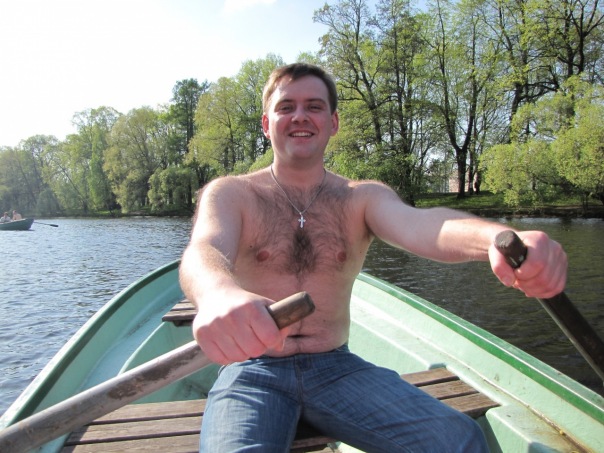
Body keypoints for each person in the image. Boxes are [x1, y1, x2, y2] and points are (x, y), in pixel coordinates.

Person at [179, 63, 567, 453]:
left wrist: (497, 240)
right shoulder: (231, 193)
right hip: (253, 368)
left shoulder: (361, 198)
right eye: (286, 107)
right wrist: (219, 294)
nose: (299, 116)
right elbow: (204, 250)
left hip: (335, 367)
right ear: (267, 124)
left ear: (333, 123)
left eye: (314, 106)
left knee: (460, 440)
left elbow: (423, 226)